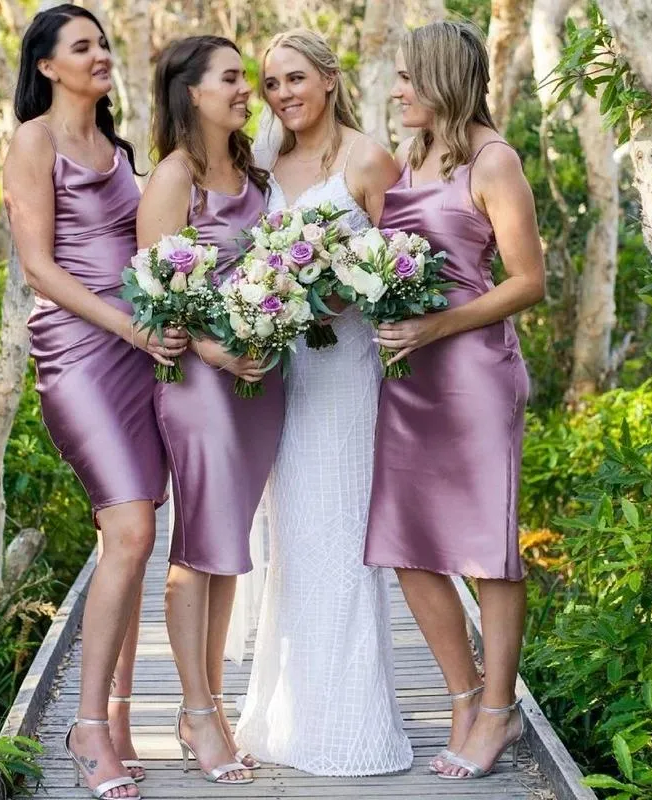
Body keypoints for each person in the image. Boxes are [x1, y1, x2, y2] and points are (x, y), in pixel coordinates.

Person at [3, 5, 187, 798]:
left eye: (103, 42)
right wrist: (131, 327)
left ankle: (116, 713)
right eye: (83, 46)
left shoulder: (116, 148)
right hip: (79, 354)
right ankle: (86, 730)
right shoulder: (32, 143)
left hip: (143, 348)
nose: (101, 54)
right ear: (46, 65)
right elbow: (40, 267)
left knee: (135, 535)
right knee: (132, 525)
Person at [364, 21, 546, 781]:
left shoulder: (493, 160)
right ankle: (464, 695)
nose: (398, 90)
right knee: (405, 547)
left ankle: (498, 712)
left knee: (488, 554)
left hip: (472, 376)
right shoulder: (410, 157)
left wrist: (436, 322)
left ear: (442, 78)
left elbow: (527, 281)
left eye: (408, 77)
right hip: (409, 382)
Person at [235, 29, 413, 777]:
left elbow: (406, 266)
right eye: (272, 84)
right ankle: (285, 715)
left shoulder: (369, 159)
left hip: (345, 374)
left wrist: (343, 291)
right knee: (292, 538)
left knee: (341, 532)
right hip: (282, 369)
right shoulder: (265, 163)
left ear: (331, 79)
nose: (284, 95)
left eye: (296, 78)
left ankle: (351, 724)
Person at [136, 35, 284, 785]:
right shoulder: (174, 179)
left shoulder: (253, 174)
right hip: (199, 382)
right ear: (192, 92)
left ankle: (211, 705)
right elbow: (155, 292)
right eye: (230, 78)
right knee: (198, 547)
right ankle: (196, 714)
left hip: (259, 382)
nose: (245, 89)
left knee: (225, 545)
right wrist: (216, 349)